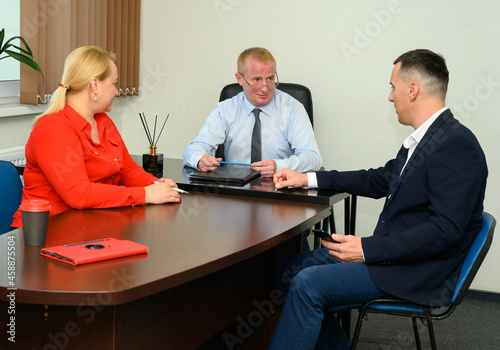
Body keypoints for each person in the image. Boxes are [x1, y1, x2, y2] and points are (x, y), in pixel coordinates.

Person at [269, 49, 488, 349]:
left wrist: (367, 249)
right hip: (394, 257)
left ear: (412, 90)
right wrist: (306, 178)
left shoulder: (455, 145)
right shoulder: (425, 140)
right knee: (287, 272)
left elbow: (444, 230)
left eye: (392, 86)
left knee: (307, 284)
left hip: (417, 272)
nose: (389, 96)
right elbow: (375, 179)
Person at [11, 46, 180, 228]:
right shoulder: (53, 128)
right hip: (47, 231)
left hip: (89, 223)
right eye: (114, 83)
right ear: (95, 85)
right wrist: (145, 194)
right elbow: (79, 194)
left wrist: (155, 184)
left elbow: (126, 169)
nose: (117, 92)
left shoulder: (102, 120)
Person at [183, 47, 322, 178]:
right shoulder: (225, 109)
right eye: (257, 80)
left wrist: (279, 166)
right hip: (236, 190)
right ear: (240, 79)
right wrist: (200, 159)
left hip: (280, 189)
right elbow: (194, 149)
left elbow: (313, 158)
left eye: (270, 79)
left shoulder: (292, 109)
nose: (265, 88)